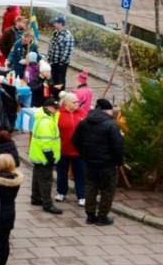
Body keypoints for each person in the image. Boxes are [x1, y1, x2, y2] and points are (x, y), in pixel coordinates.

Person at [72, 98, 124, 226]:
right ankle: (102, 217)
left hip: (90, 163)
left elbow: (74, 140)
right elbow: (117, 146)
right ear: (107, 110)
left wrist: (84, 154)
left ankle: (90, 215)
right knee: (107, 190)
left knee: (91, 187)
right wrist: (118, 162)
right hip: (107, 165)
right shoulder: (111, 125)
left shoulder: (84, 122)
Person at [29, 98, 62, 215]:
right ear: (48, 107)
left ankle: (36, 198)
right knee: (46, 180)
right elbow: (46, 141)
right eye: (54, 108)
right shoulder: (46, 122)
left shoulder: (41, 116)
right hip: (44, 156)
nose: (56, 110)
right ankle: (47, 204)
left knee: (37, 177)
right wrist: (50, 157)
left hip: (37, 154)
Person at [55, 91, 88, 206]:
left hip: (79, 151)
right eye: (74, 102)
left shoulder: (83, 113)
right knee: (61, 172)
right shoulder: (58, 114)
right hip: (63, 149)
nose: (77, 103)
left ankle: (82, 195)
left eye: (78, 101)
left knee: (80, 174)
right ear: (67, 103)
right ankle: (61, 192)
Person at [47, 16, 75, 91]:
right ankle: (54, 93)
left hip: (61, 63)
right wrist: (49, 57)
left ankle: (60, 95)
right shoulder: (55, 33)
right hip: (53, 61)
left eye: (56, 23)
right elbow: (51, 46)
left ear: (61, 24)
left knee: (60, 80)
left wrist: (62, 62)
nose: (54, 24)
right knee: (53, 78)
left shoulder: (67, 35)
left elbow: (68, 50)